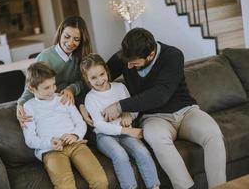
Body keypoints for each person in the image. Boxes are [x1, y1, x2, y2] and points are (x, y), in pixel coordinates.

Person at [87, 28, 226, 189]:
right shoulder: (125, 57)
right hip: (153, 118)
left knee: (213, 135)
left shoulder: (172, 56)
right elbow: (95, 74)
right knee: (157, 139)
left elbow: (160, 94)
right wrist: (79, 100)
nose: (129, 66)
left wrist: (120, 106)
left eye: (134, 63)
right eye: (127, 62)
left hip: (186, 112)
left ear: (151, 55)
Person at [22, 62, 108, 189]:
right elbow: (30, 139)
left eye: (53, 85)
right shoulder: (28, 107)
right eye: (46, 88)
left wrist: (74, 135)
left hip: (76, 144)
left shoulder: (63, 99)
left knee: (100, 181)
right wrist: (50, 142)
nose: (53, 90)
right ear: (31, 88)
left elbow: (80, 123)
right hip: (51, 151)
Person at [81, 54, 160, 189]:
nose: (100, 80)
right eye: (93, 78)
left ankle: (154, 186)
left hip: (125, 132)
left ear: (107, 71)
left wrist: (127, 115)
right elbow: (99, 125)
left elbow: (133, 109)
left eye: (102, 74)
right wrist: (127, 130)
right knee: (120, 155)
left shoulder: (120, 87)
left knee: (142, 151)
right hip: (105, 136)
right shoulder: (90, 98)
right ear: (87, 79)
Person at [17, 15, 92, 124]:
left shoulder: (80, 56)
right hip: (51, 106)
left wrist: (71, 89)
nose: (70, 43)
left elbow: (85, 81)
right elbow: (32, 86)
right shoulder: (45, 57)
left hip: (72, 103)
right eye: (67, 36)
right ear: (60, 33)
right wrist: (21, 103)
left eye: (76, 39)